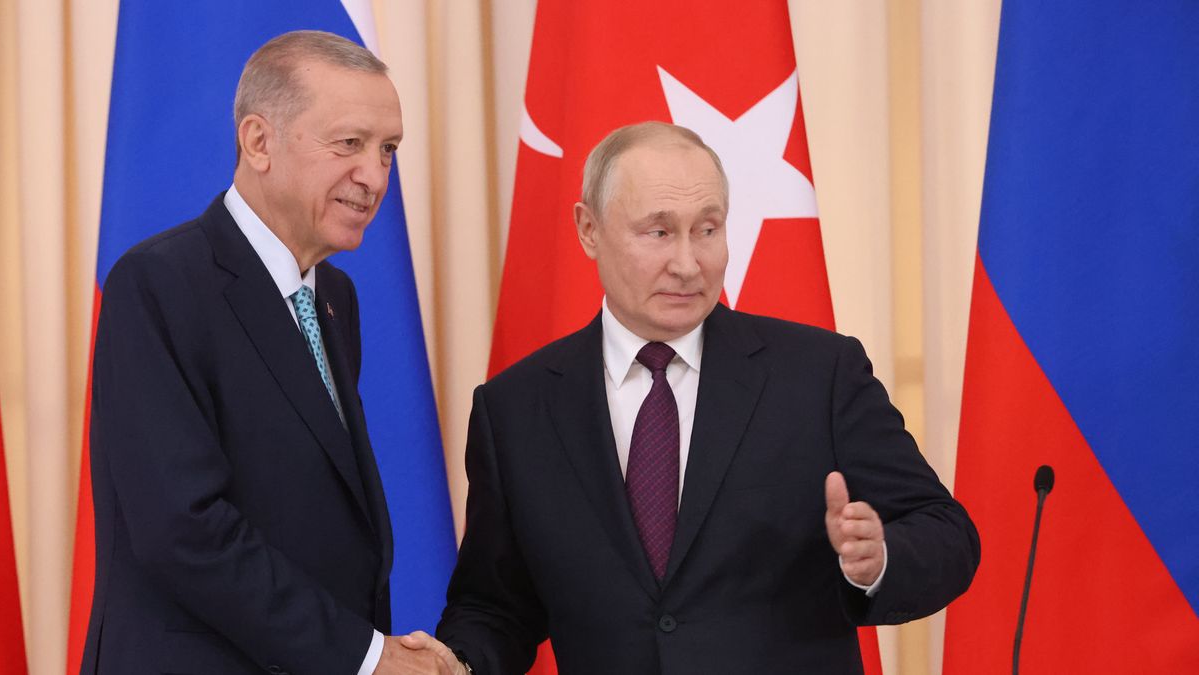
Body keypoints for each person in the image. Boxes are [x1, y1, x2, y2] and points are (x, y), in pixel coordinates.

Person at [419, 122, 980, 674]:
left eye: (707, 229)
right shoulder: (517, 408)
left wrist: (878, 561)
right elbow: (496, 605)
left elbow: (945, 531)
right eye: (658, 232)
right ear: (589, 229)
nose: (688, 264)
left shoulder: (818, 374)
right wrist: (456, 665)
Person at [83, 31, 456, 675]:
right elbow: (184, 530)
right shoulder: (158, 284)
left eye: (388, 149)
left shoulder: (335, 296)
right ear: (259, 142)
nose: (375, 176)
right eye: (349, 144)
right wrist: (367, 657)